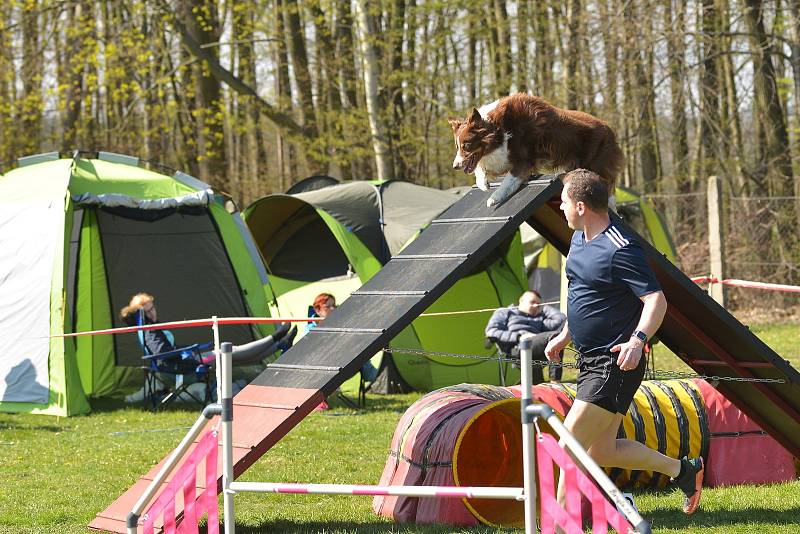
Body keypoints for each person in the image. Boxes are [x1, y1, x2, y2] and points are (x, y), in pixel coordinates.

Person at [544, 169, 704, 515]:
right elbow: (586, 295)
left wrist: (637, 340)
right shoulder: (578, 240)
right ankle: (683, 471)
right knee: (603, 450)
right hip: (589, 360)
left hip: (615, 362)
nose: (561, 207)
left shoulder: (621, 246)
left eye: (564, 201)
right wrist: (565, 334)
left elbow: (656, 301)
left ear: (582, 206)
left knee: (568, 442)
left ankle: (557, 524)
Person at [121, 292, 296, 402]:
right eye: (148, 311)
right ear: (142, 313)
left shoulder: (149, 327)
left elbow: (169, 350)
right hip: (180, 368)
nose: (153, 312)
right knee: (229, 352)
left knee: (236, 356)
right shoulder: (149, 331)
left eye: (153, 308)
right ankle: (276, 337)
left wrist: (188, 348)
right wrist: (189, 350)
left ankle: (280, 343)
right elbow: (164, 353)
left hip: (184, 360)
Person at [307, 293, 379, 406]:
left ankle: (370, 373)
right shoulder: (309, 330)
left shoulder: (343, 325)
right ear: (317, 310)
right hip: (320, 369)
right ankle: (318, 399)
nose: (333, 309)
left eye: (334, 306)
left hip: (344, 366)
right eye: (328, 306)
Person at [484, 290, 566, 383]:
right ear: (521, 301)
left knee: (557, 337)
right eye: (532, 302)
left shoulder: (539, 318)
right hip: (516, 348)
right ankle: (555, 381)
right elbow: (492, 331)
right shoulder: (505, 312)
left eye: (538, 304)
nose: (535, 305)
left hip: (536, 348)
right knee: (554, 337)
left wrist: (544, 307)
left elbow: (561, 319)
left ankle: (550, 384)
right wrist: (519, 337)